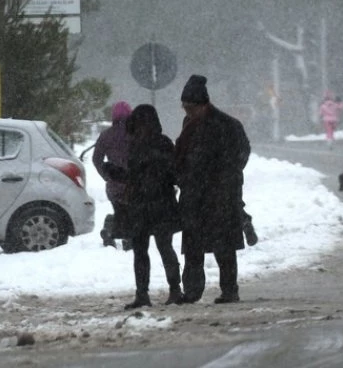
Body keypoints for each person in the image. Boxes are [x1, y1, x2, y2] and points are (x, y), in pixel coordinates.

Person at [173, 74, 251, 304]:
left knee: (223, 247)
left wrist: (224, 180)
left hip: (220, 197)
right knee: (193, 247)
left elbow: (241, 155)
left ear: (203, 104)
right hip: (194, 196)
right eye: (184, 107)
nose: (187, 111)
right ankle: (192, 291)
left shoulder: (227, 125)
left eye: (190, 107)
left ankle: (229, 290)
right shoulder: (189, 124)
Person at [122, 104, 183, 309]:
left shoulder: (137, 145)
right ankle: (174, 290)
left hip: (145, 205)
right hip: (160, 204)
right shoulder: (163, 143)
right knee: (163, 247)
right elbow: (173, 173)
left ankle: (144, 294)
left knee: (144, 251)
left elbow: (134, 175)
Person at [93, 101, 133, 250]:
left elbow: (96, 159)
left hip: (114, 183)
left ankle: (110, 229)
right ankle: (129, 239)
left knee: (119, 209)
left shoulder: (106, 135)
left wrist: (106, 175)